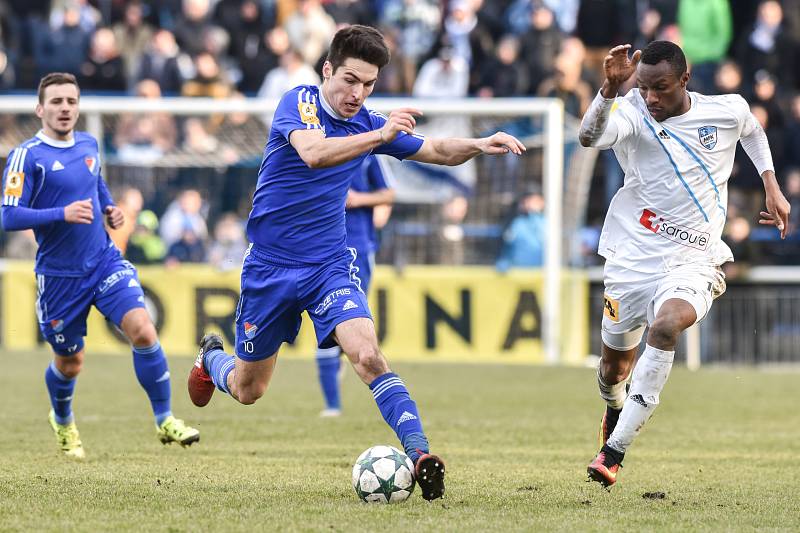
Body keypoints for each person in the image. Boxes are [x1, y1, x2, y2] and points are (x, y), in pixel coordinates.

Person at [187, 25, 525, 501]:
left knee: (367, 354)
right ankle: (211, 359)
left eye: (368, 84)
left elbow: (435, 150)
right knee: (248, 389)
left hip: (328, 263)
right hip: (269, 265)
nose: (357, 93)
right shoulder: (299, 101)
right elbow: (312, 153)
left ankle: (420, 454)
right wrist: (379, 135)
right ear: (328, 70)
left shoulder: (369, 121)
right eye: (350, 79)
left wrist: (479, 143)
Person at [578, 41, 790, 487]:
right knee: (613, 369)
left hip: (694, 257)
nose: (652, 97)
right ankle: (615, 409)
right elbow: (589, 137)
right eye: (644, 87)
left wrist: (770, 183)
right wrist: (609, 91)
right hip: (632, 257)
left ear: (685, 80)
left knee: (667, 325)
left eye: (661, 88)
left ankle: (613, 452)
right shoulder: (632, 112)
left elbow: (751, 129)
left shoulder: (725, 109)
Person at [1, 73, 199, 459]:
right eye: (56, 102)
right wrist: (62, 213)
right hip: (59, 276)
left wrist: (109, 208)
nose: (64, 109)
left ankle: (165, 419)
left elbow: (96, 182)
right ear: (40, 109)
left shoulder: (90, 144)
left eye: (71, 102)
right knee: (71, 362)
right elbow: (8, 216)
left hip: (103, 261)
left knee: (143, 328)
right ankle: (62, 420)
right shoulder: (27, 155)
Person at [316, 155, 394, 417]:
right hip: (321, 246)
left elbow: (388, 194)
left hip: (358, 247)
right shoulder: (314, 148)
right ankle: (332, 407)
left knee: (351, 316)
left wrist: (358, 199)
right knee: (325, 319)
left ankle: (340, 355)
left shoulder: (369, 155)